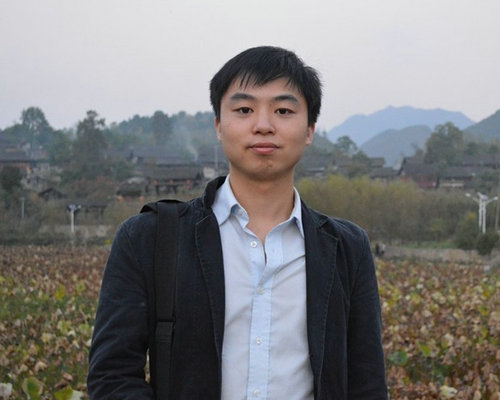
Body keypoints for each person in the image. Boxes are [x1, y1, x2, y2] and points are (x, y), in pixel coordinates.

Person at [88, 46, 388, 399]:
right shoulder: (150, 239)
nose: (263, 125)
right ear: (219, 125)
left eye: (283, 110)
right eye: (244, 110)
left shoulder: (347, 249)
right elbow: (112, 377)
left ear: (309, 130)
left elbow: (367, 385)